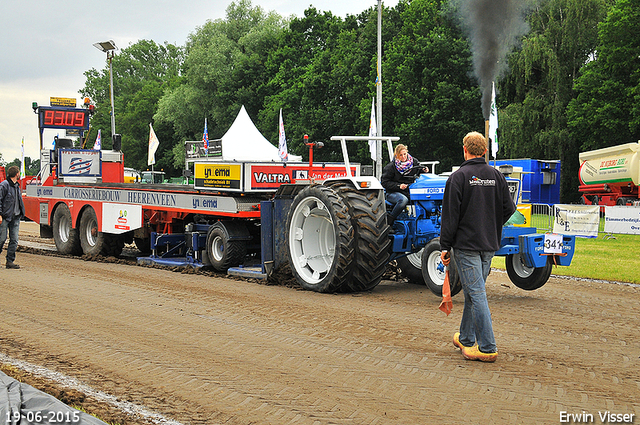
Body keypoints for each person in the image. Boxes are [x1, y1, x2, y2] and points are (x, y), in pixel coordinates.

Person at [439, 132, 516, 362]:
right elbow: (509, 209)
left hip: (467, 246)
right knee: (475, 292)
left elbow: (450, 217)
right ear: (484, 151)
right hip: (489, 244)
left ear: (465, 150)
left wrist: (445, 246)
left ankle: (487, 346)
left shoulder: (458, 177)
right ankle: (465, 338)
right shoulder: (496, 176)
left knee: (477, 294)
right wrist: (491, 225)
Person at [381, 144, 428, 222]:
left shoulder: (413, 162)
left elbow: (419, 169)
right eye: (400, 155)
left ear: (407, 153)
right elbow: (385, 182)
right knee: (403, 200)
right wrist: (399, 186)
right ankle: (390, 221)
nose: (403, 157)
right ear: (396, 155)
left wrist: (424, 169)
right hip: (393, 192)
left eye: (404, 154)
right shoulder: (391, 167)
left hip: (408, 190)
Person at [0, 166, 25, 269]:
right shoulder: (4, 185)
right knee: (1, 239)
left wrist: (21, 213)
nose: (19, 175)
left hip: (15, 217)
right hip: (5, 217)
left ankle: (10, 261)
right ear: (16, 174)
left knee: (14, 240)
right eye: (19, 173)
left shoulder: (17, 186)